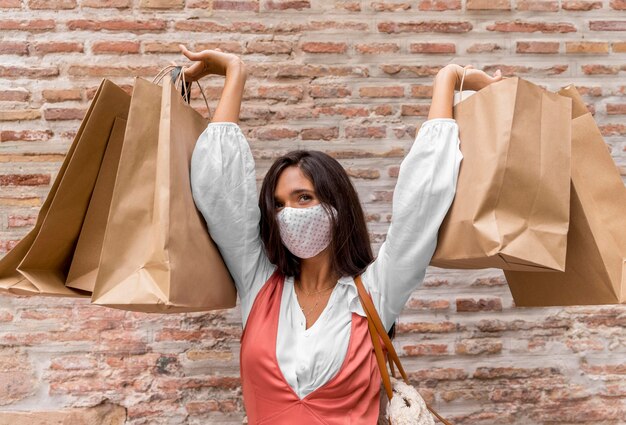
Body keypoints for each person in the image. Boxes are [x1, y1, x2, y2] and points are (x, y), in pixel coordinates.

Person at [179, 43, 502, 424]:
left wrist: (446, 81)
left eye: (304, 197)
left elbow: (422, 205)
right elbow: (219, 193)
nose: (289, 214)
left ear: (336, 206)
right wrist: (235, 74)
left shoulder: (375, 292)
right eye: (279, 205)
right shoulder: (258, 283)